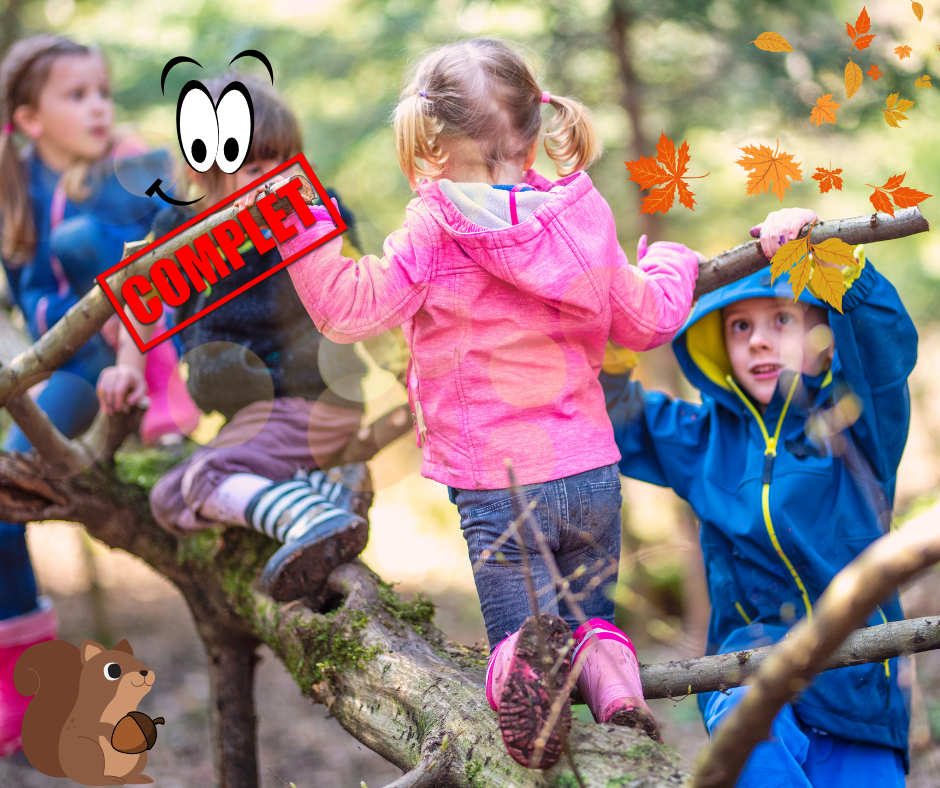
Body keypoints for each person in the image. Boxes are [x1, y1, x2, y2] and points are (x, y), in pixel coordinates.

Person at [239, 38, 701, 768]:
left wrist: (299, 228)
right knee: (589, 621)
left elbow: (349, 310)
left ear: (429, 138)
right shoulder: (581, 217)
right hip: (590, 473)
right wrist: (674, 262)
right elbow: (646, 320)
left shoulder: (435, 227)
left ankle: (524, 693)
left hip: (499, 483)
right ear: (532, 126)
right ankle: (616, 691)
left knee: (521, 642)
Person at [602, 207, 914, 787]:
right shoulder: (703, 440)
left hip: (860, 692)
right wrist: (626, 308)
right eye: (739, 327)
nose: (759, 341)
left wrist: (825, 254)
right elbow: (611, 410)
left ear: (820, 334)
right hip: (752, 675)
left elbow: (884, 343)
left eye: (780, 319)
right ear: (718, 344)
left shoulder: (854, 422)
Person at [97, 73, 374, 610]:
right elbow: (141, 301)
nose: (271, 179)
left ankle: (314, 519)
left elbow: (361, 289)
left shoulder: (307, 214)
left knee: (205, 478)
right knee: (167, 499)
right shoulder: (179, 227)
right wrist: (129, 367)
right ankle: (321, 495)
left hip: (312, 402)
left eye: (282, 163)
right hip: (251, 417)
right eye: (250, 167)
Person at [0, 34, 180, 756]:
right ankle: (17, 678)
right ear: (30, 119)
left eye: (102, 91)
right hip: (73, 368)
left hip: (153, 352)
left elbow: (162, 272)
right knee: (5, 493)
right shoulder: (16, 193)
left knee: (84, 239)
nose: (99, 106)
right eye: (77, 95)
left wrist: (130, 348)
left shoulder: (128, 173)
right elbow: (35, 301)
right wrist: (70, 323)